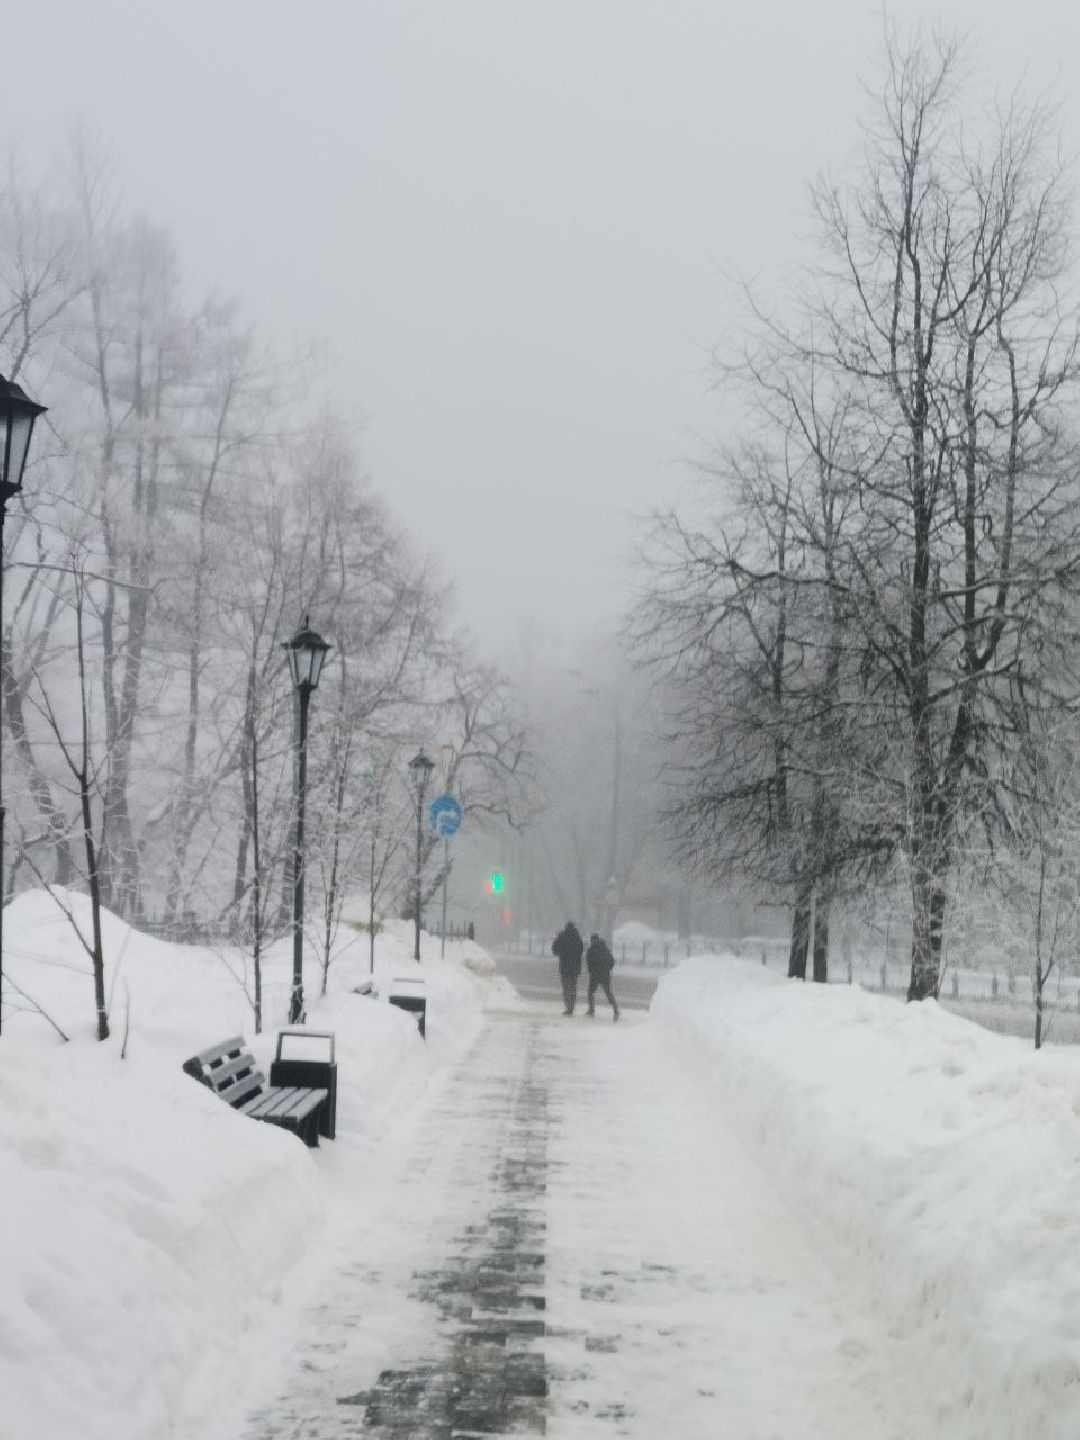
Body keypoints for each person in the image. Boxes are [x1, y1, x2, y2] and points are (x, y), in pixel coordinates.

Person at [551, 920, 584, 1015]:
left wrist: (562, 952)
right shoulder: (577, 938)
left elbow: (554, 949)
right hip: (575, 967)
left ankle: (568, 1007)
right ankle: (571, 1007)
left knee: (566, 988)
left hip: (564, 966)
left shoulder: (562, 937)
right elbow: (581, 951)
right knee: (573, 988)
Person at [585, 932, 620, 1021]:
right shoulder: (605, 949)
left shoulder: (591, 950)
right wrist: (607, 969)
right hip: (605, 975)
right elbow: (612, 961)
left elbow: (589, 963)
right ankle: (615, 1009)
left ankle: (591, 1010)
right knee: (608, 993)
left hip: (595, 975)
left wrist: (592, 971)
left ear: (592, 940)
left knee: (590, 992)